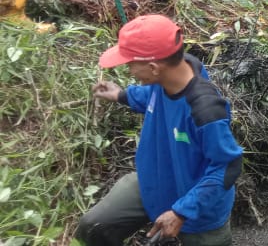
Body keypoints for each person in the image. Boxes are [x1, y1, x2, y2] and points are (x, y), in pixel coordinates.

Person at [76, 14, 243, 246]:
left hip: (198, 209)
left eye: (130, 64)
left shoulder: (205, 110)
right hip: (153, 183)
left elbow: (228, 167)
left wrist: (181, 212)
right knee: (94, 227)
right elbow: (152, 97)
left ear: (154, 68)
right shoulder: (172, 75)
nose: (129, 70)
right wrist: (121, 95)